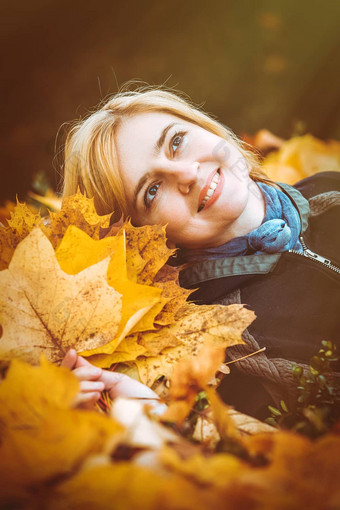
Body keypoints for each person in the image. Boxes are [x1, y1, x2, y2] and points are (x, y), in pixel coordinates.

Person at [62, 87, 340, 418]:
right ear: (145, 241)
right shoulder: (221, 347)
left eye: (176, 142)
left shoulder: (328, 188)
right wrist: (151, 417)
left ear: (204, 126)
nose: (187, 174)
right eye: (152, 191)